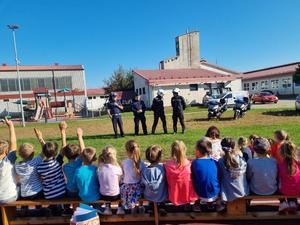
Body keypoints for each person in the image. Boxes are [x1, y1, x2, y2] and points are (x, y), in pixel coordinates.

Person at [164, 140, 198, 206]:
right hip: (187, 195)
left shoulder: (167, 165)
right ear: (184, 150)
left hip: (174, 195)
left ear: (172, 151)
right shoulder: (188, 164)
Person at [191, 137, 220, 212]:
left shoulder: (195, 163)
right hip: (215, 193)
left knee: (193, 180)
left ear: (198, 151)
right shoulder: (215, 162)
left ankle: (197, 204)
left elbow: (193, 177)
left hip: (200, 193)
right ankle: (211, 203)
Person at [218, 138, 249, 203]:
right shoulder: (241, 159)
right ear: (234, 147)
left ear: (222, 148)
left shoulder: (221, 161)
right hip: (243, 191)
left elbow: (219, 176)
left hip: (227, 193)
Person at [141, 145, 168, 215]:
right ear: (159, 157)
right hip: (162, 195)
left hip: (149, 196)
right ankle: (162, 206)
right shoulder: (162, 167)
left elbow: (142, 184)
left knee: (148, 190)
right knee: (164, 186)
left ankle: (151, 207)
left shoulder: (144, 170)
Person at [120, 140, 146, 213]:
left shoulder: (124, 162)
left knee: (123, 187)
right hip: (138, 190)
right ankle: (140, 206)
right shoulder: (141, 163)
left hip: (126, 189)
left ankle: (132, 207)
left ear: (127, 151)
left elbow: (122, 175)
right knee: (141, 187)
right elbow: (143, 177)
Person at [98, 145, 124, 215]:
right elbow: (120, 182)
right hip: (115, 195)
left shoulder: (99, 168)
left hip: (103, 195)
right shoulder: (117, 168)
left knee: (105, 185)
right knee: (123, 186)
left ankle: (107, 207)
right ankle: (120, 207)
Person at [62, 125, 84, 198]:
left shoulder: (65, 167)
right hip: (80, 190)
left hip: (71, 191)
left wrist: (63, 133)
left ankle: (71, 208)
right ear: (78, 154)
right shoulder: (79, 162)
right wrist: (79, 137)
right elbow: (83, 151)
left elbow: (64, 150)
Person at [277, 141, 300, 213]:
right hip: (297, 190)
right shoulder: (298, 164)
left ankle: (283, 202)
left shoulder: (280, 165)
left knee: (276, 185)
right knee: (292, 183)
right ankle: (293, 202)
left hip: (284, 191)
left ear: (281, 153)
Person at [0, 118, 18, 203]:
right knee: (24, 188)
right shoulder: (7, 162)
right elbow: (13, 143)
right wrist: (11, 126)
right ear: (6, 151)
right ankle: (24, 213)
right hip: (9, 197)